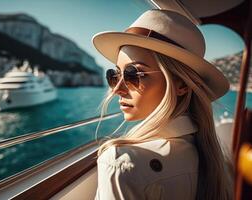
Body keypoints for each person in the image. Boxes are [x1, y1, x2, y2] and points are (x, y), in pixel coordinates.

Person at [92, 9, 233, 200]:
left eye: (133, 74)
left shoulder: (120, 162)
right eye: (115, 74)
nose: (117, 89)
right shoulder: (209, 155)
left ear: (181, 84)